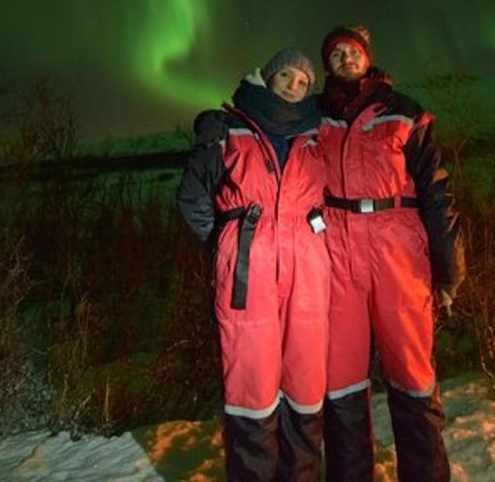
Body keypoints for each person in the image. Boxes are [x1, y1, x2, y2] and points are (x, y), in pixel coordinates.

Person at [316, 24, 464, 482]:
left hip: (398, 251)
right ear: (328, 65)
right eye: (336, 53)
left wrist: (449, 270)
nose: (345, 58)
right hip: (338, 254)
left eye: (352, 51)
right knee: (342, 382)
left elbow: (437, 193)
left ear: (367, 56)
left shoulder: (404, 113)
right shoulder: (312, 116)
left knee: (412, 376)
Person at [177, 48, 330, 481]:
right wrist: (227, 244)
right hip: (248, 276)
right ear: (268, 75)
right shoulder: (230, 129)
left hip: (307, 276)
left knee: (305, 387)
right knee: (252, 391)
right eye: (287, 75)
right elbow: (193, 198)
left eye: (303, 81)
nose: (294, 85)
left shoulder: (316, 136)